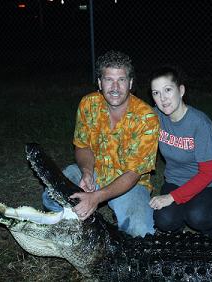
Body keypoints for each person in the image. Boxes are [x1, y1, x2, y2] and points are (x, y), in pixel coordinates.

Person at [42, 50, 159, 237]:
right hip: (96, 171)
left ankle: (99, 213)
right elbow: (82, 145)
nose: (115, 87)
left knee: (140, 232)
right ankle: (77, 230)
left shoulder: (146, 118)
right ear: (99, 82)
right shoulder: (88, 104)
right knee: (51, 198)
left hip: (129, 182)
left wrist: (97, 197)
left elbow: (134, 173)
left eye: (121, 80)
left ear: (130, 83)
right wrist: (87, 172)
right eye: (108, 80)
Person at [148, 66, 212, 236]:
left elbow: (207, 174)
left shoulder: (200, 124)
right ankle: (178, 235)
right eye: (156, 93)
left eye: (168, 90)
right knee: (164, 219)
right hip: (176, 180)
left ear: (181, 90)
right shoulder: (155, 116)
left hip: (211, 186)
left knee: (197, 215)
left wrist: (171, 198)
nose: (162, 98)